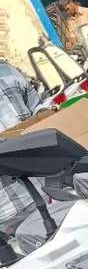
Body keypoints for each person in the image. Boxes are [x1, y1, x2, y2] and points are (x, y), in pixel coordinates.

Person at [0, 60, 42, 229]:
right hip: (5, 212)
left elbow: (38, 109)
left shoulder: (7, 72)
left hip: (45, 188)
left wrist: (45, 114)